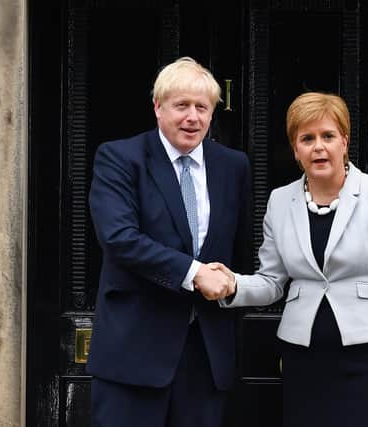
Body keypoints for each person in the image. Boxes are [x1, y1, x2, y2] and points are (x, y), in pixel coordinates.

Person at [212, 92, 368, 427]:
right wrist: (231, 285)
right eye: (307, 139)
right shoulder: (280, 201)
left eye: (328, 136)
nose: (318, 147)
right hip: (303, 359)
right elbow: (272, 282)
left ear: (344, 142)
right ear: (296, 149)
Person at [87, 56, 251, 427]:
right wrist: (194, 274)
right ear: (158, 107)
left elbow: (239, 251)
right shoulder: (120, 157)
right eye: (181, 106)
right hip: (134, 353)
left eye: (202, 107)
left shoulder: (233, 166)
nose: (192, 117)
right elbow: (119, 239)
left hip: (207, 356)